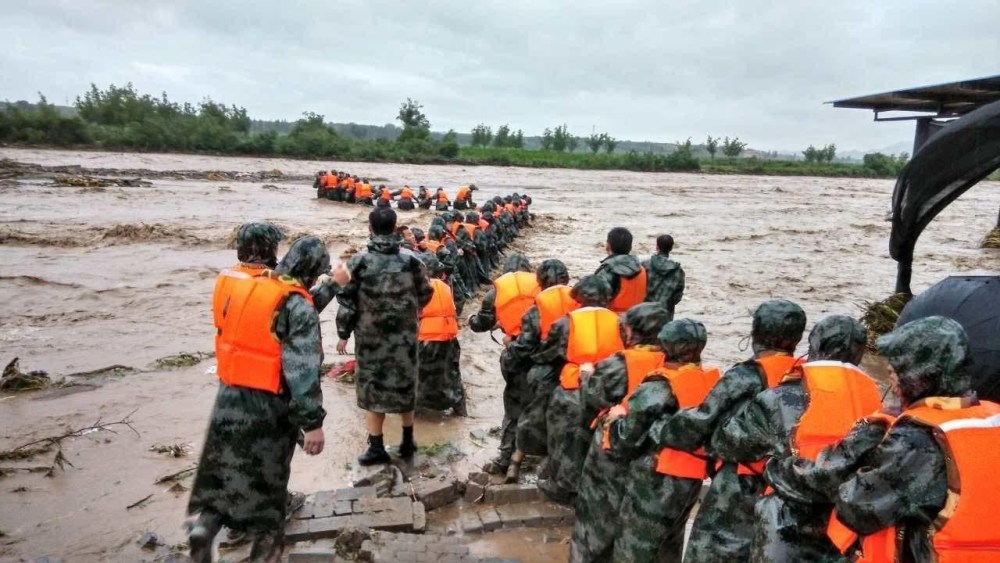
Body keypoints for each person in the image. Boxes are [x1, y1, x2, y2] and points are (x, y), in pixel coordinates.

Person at [189, 236, 331, 562]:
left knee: (228, 473)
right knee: (270, 491)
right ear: (311, 271)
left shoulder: (247, 286)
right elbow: (303, 371)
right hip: (269, 405)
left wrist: (331, 287)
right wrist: (313, 424)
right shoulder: (297, 304)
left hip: (229, 395)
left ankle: (205, 528)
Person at [828, 316, 1000, 562]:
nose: (891, 373)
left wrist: (870, 437)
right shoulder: (993, 414)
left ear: (923, 374)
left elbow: (856, 508)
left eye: (899, 367)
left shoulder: (917, 439)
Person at [712, 315, 882, 562]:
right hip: (846, 532)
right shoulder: (877, 404)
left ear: (812, 345)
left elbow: (729, 444)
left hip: (785, 526)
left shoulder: (781, 398)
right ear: (860, 354)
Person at [652, 299, 805, 562]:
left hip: (738, 485)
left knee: (711, 551)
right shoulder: (803, 377)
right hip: (782, 485)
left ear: (755, 332)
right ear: (797, 338)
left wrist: (658, 428)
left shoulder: (745, 376)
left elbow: (700, 422)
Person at [610, 319, 719, 563]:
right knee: (670, 540)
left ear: (664, 346)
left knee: (635, 545)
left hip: (656, 478)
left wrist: (616, 419)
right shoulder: (713, 383)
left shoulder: (656, 388)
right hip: (691, 478)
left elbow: (626, 439)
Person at [571, 302, 671, 563]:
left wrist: (586, 376)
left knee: (596, 515)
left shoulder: (617, 364)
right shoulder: (675, 363)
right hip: (654, 457)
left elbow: (592, 400)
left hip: (612, 449)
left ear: (629, 330)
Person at [336, 208, 434, 465]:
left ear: (370, 228)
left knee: (372, 390)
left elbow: (346, 299)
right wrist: (410, 310)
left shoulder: (357, 262)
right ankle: (407, 442)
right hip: (405, 336)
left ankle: (376, 447)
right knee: (405, 385)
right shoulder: (412, 260)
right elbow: (426, 292)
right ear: (394, 228)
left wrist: (343, 333)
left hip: (370, 339)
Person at [535, 275, 623, 504]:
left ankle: (562, 487)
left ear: (578, 297)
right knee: (594, 440)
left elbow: (548, 353)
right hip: (608, 389)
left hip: (572, 388)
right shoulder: (621, 322)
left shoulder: (566, 322)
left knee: (561, 437)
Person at [468, 254, 538, 476]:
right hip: (543, 354)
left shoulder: (494, 294)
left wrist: (471, 319)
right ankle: (534, 451)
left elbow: (481, 324)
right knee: (538, 403)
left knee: (513, 406)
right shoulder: (542, 289)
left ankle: (505, 459)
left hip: (515, 354)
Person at [515, 263, 580, 460]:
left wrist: (511, 350)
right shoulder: (580, 301)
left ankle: (517, 457)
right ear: (567, 278)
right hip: (575, 370)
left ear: (540, 282)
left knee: (530, 412)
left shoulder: (537, 308)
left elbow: (525, 346)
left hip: (544, 369)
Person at [415, 252, 467, 416]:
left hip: (427, 338)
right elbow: (459, 301)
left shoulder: (419, 287)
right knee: (452, 374)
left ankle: (416, 415)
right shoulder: (445, 286)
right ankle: (460, 411)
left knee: (418, 375)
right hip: (450, 337)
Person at [595, 227, 647, 313]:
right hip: (638, 321)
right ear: (630, 247)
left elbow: (594, 299)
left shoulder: (608, 270)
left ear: (608, 246)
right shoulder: (642, 269)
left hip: (613, 321)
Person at [643, 234, 685, 320]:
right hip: (666, 315)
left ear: (657, 247)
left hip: (645, 313)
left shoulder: (644, 265)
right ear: (671, 248)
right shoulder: (678, 270)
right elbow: (677, 297)